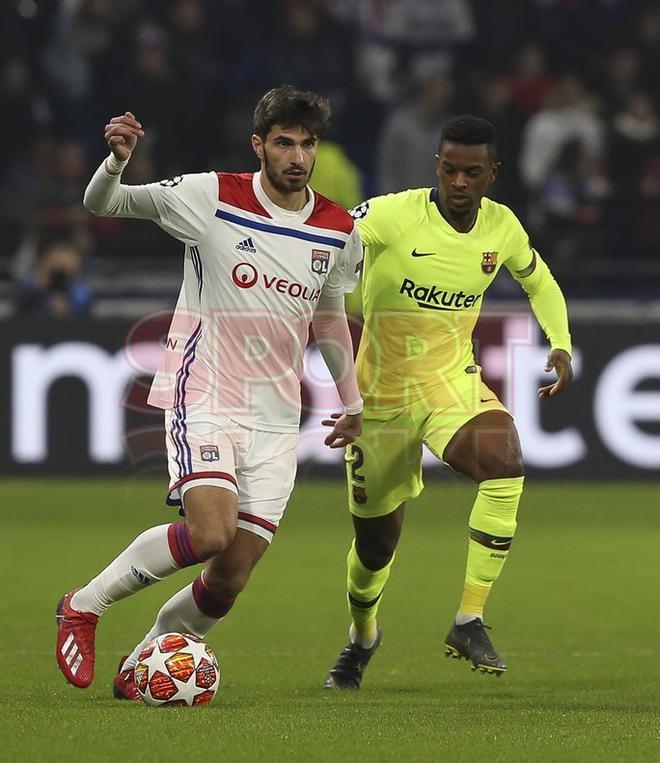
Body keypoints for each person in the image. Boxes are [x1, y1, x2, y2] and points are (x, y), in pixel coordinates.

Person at [55, 85, 364, 698]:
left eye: (307, 144)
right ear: (260, 145)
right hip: (206, 394)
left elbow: (328, 317)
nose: (297, 156)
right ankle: (83, 605)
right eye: (284, 143)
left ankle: (144, 665)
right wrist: (116, 160)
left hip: (279, 420)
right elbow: (105, 204)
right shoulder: (212, 196)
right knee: (211, 534)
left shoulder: (337, 227)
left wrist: (350, 401)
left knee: (230, 576)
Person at [324, 115, 573, 688]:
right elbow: (331, 238)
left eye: (473, 172)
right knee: (375, 545)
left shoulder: (501, 227)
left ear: (492, 174)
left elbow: (540, 281)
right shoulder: (390, 214)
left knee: (505, 459)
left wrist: (560, 343)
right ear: (437, 165)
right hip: (379, 398)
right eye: (450, 169)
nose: (459, 182)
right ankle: (363, 635)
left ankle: (469, 617)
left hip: (448, 381)